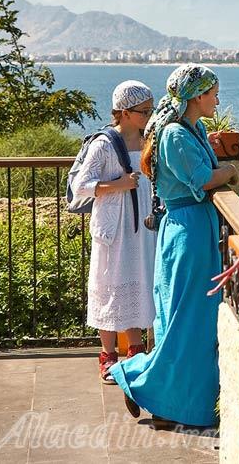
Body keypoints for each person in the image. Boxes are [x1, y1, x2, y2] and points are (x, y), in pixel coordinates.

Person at [111, 64, 239, 429]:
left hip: (194, 230)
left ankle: (174, 404)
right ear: (197, 96)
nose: (217, 99)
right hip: (188, 233)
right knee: (187, 322)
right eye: (213, 92)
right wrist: (229, 172)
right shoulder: (176, 136)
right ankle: (139, 380)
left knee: (192, 323)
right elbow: (201, 178)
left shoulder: (192, 128)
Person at [70, 80, 156, 383]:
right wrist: (119, 184)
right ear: (125, 111)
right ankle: (108, 357)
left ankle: (136, 351)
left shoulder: (148, 140)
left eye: (150, 109)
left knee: (137, 284)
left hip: (142, 226)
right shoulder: (104, 144)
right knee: (109, 287)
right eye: (144, 110)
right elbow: (81, 185)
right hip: (114, 227)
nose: (149, 114)